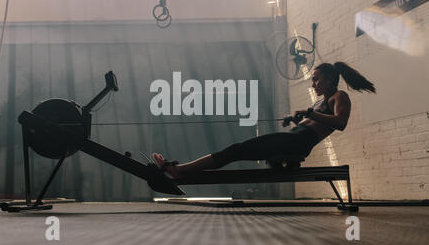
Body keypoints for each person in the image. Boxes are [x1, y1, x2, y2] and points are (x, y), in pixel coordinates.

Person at [153, 62, 376, 179]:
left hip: (296, 143)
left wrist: (309, 114)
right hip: (292, 141)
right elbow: (314, 120)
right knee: (236, 152)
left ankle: (180, 170)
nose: (313, 84)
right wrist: (296, 118)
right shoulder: (321, 102)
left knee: (235, 151)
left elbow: (340, 123)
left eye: (316, 80)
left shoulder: (339, 96)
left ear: (329, 80)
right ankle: (283, 160)